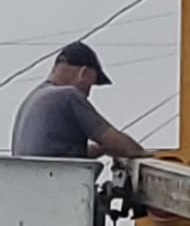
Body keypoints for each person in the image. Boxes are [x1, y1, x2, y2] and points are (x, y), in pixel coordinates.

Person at [11, 41, 145, 162]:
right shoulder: (68, 96)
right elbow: (112, 140)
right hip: (59, 184)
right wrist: (144, 154)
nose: (88, 94)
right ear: (83, 73)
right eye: (90, 86)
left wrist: (100, 149)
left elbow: (55, 154)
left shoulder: (32, 99)